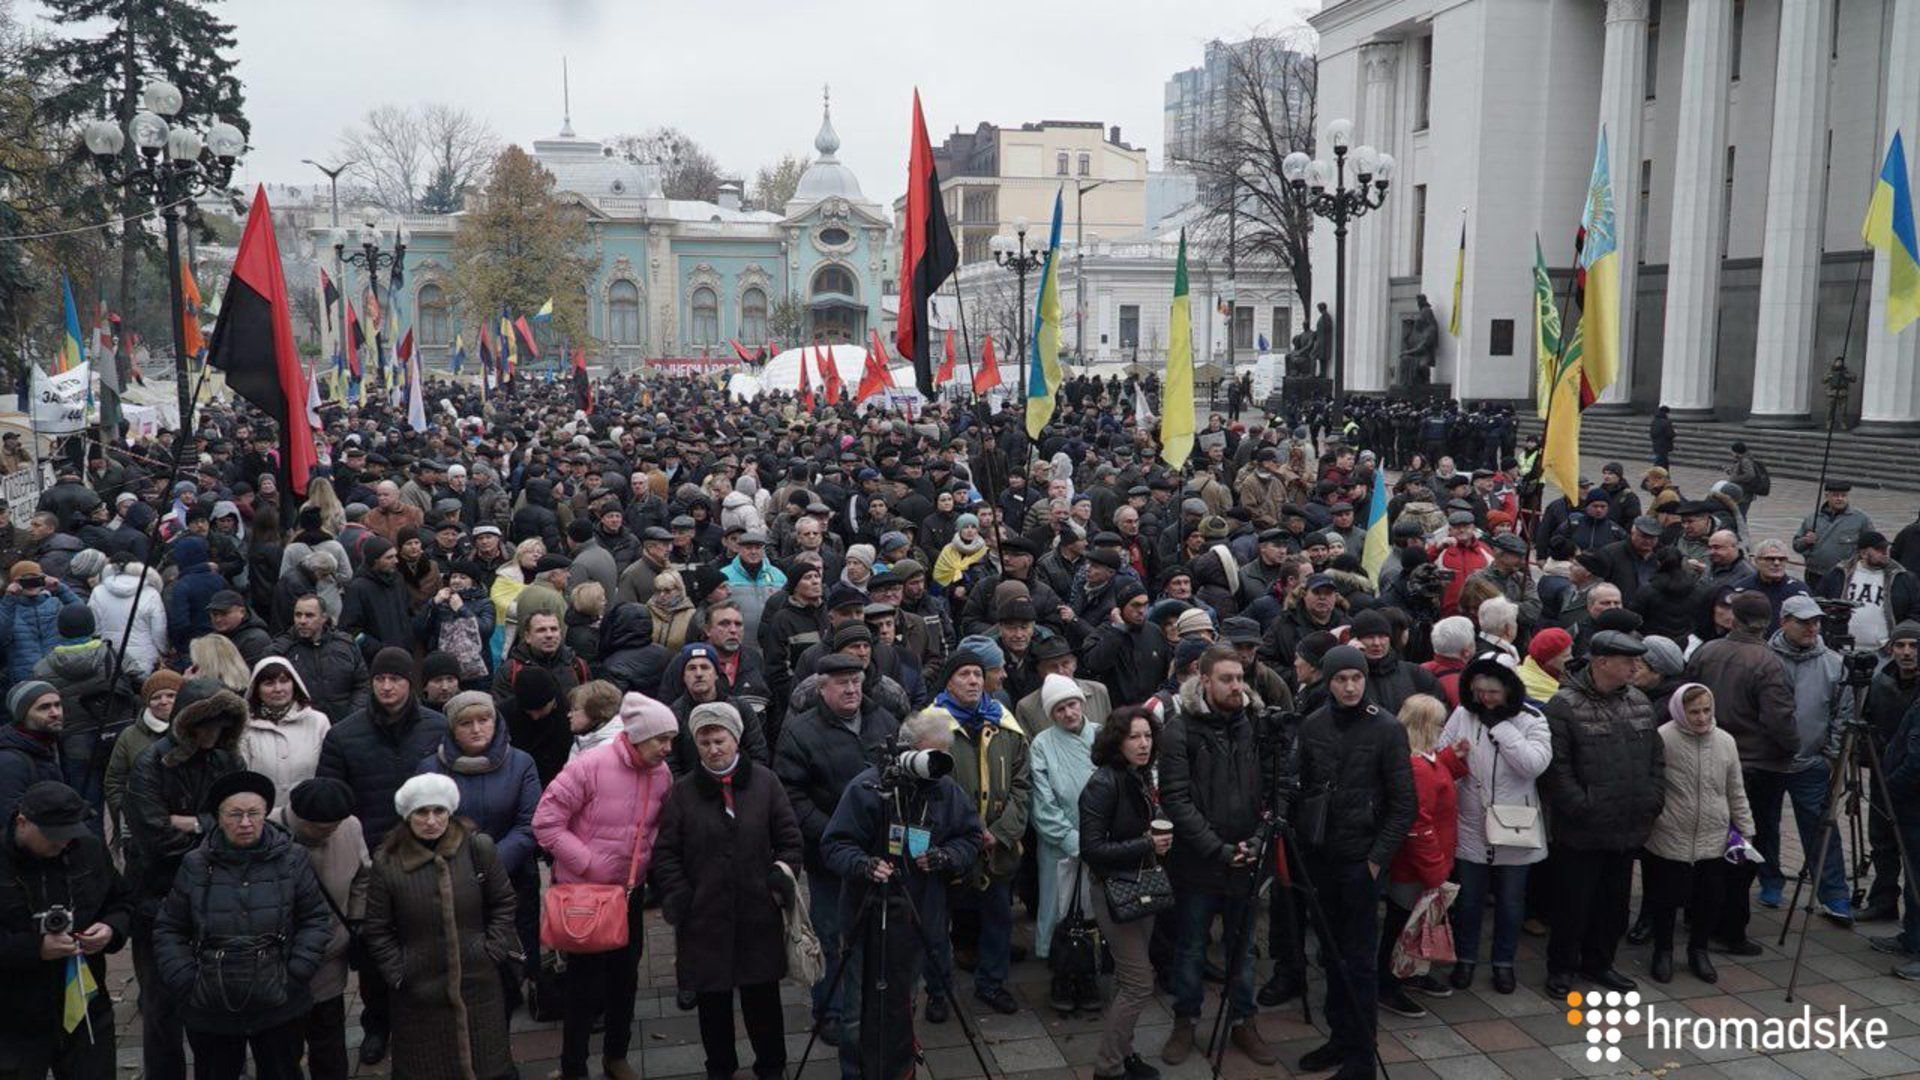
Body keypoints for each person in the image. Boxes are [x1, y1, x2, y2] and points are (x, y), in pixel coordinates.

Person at [818, 708, 981, 1080]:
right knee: (858, 1009)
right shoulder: (867, 788)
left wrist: (946, 857)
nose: (934, 764)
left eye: (943, 755)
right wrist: (864, 865)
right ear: (907, 750)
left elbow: (970, 836)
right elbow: (834, 844)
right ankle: (856, 1073)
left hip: (920, 916)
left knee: (904, 1004)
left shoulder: (945, 790)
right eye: (929, 754)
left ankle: (900, 1070)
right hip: (866, 914)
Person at [651, 702, 803, 1080]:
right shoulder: (683, 792)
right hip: (704, 916)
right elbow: (666, 853)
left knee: (762, 1000)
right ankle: (719, 1067)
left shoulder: (766, 782)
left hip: (758, 911)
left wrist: (778, 882)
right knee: (712, 1003)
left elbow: (789, 840)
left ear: (735, 740)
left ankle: (771, 1066)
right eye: (704, 742)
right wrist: (680, 897)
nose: (713, 749)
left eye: (719, 740)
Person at [150, 770, 333, 1080]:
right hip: (210, 1003)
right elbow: (170, 927)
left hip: (280, 1000)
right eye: (235, 814)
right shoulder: (195, 863)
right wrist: (185, 979)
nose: (245, 823)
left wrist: (298, 970)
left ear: (265, 814)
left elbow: (315, 918)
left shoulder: (292, 857)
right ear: (218, 818)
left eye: (253, 814)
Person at [314, 647, 449, 1066]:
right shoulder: (344, 735)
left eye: (395, 679)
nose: (387, 686)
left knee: (430, 944)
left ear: (412, 683)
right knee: (375, 952)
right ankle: (378, 1025)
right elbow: (332, 798)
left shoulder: (437, 727)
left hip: (429, 855)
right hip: (371, 862)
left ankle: (430, 1021)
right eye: (379, 679)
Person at [531, 692, 675, 1080]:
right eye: (661, 738)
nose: (668, 748)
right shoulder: (591, 765)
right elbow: (545, 822)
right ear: (639, 735)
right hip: (587, 895)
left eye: (671, 739)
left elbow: (657, 827)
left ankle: (616, 1055)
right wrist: (587, 863)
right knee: (583, 987)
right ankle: (573, 1067)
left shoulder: (661, 773)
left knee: (625, 979)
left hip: (630, 894)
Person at [1291, 645, 1416, 1080]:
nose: (1349, 687)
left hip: (1361, 861)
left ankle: (1363, 1053)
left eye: (1356, 679)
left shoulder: (1386, 729)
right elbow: (1300, 787)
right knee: (1329, 954)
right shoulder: (1312, 725)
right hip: (1321, 857)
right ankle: (1340, 1037)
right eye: (1341, 679)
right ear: (1328, 682)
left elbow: (1404, 805)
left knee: (1359, 961)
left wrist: (1376, 861)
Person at [1157, 645, 1278, 1066]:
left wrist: (1259, 839)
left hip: (1246, 858)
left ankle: (1244, 1021)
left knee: (1243, 949)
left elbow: (1273, 788)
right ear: (1203, 679)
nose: (1236, 686)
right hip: (1198, 862)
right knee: (1191, 947)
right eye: (1226, 679)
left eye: (1240, 678)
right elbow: (1175, 799)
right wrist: (1218, 849)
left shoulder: (1255, 724)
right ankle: (1185, 1021)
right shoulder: (1179, 729)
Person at [123, 675, 247, 1080]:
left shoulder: (228, 760)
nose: (214, 732)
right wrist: (214, 829)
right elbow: (154, 836)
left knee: (218, 999)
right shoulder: (151, 764)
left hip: (218, 895)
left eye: (221, 723)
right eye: (206, 723)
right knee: (161, 1008)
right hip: (158, 898)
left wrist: (194, 823)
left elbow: (244, 820)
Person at [772, 652, 899, 1036]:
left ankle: (875, 1004)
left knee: (881, 931)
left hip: (880, 853)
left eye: (856, 681)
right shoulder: (800, 732)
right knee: (831, 934)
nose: (851, 689)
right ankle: (830, 1010)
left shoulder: (884, 720)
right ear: (822, 687)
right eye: (842, 682)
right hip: (829, 856)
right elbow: (791, 794)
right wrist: (834, 833)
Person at [362, 773, 519, 1080]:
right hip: (417, 991)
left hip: (479, 984)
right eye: (422, 812)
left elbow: (504, 902)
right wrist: (398, 971)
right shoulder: (387, 861)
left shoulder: (478, 848)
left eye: (439, 811)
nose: (431, 820)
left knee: (487, 1062)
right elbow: (377, 928)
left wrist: (493, 950)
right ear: (408, 816)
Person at [1538, 631, 1666, 997]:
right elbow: (1556, 770)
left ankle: (1600, 963)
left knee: (1614, 903)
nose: (1634, 667)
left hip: (1628, 823)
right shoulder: (1563, 705)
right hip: (1582, 828)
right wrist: (1582, 806)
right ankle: (1561, 967)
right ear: (1601, 662)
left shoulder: (1640, 702)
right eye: (1628, 661)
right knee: (1573, 903)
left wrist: (1651, 800)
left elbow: (1656, 759)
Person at [420, 690, 542, 1015]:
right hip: (453, 880)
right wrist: (461, 868)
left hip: (513, 877)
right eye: (466, 723)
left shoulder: (520, 762)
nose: (477, 729)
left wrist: (490, 864)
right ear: (452, 728)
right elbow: (421, 825)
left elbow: (529, 825)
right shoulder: (430, 768)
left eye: (484, 720)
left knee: (513, 954)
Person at [0, 782, 132, 1080]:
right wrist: (35, 949)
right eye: (53, 836)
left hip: (85, 1007)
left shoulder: (86, 848)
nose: (63, 843)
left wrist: (111, 929)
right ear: (22, 822)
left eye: (70, 833)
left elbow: (123, 901)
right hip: (15, 1015)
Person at [1439, 655, 1550, 995]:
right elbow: (1440, 754)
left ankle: (1504, 963)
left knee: (1511, 902)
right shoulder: (1462, 714)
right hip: (1471, 822)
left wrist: (1502, 729)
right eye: (1478, 691)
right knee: (1470, 900)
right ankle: (1466, 960)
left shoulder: (1532, 719)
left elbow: (1535, 764)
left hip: (1515, 826)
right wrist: (1452, 755)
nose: (1484, 699)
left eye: (1493, 692)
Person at [1078, 707, 1170, 1080]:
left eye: (1147, 736)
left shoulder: (1138, 775)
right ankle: (1108, 1068)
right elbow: (1092, 850)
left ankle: (1125, 1053)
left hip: (1140, 885)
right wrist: (1145, 843)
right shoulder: (1103, 783)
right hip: (1115, 891)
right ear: (1117, 741)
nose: (1143, 743)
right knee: (1138, 983)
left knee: (1127, 980)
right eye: (1134, 737)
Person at [1643, 684, 1753, 984]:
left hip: (1713, 835)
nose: (1702, 718)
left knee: (1709, 897)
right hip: (1670, 831)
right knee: (1666, 897)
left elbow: (1735, 788)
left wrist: (1746, 828)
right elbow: (1651, 784)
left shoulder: (1725, 741)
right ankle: (1663, 951)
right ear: (1680, 711)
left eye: (1707, 710)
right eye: (1694, 712)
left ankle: (1698, 950)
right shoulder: (1663, 738)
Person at [282, 778, 367, 1080]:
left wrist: (356, 920)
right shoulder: (268, 830)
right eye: (321, 828)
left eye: (335, 825)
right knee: (285, 1044)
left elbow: (362, 878)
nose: (330, 832)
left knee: (329, 1037)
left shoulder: (350, 826)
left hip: (331, 956)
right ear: (300, 818)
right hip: (284, 964)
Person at [1028, 673, 1101, 1011]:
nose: (1069, 714)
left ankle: (1089, 975)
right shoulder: (1042, 744)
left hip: (1102, 842)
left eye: (1072, 705)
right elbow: (1042, 802)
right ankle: (1062, 973)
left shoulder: (1102, 736)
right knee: (1060, 909)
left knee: (1095, 910)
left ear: (1081, 703)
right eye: (1059, 710)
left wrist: (1098, 841)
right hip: (1059, 844)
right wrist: (1073, 840)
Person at [239, 656, 332, 807]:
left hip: (308, 813)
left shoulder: (318, 722)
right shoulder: (245, 727)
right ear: (256, 689)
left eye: (284, 681)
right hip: (262, 816)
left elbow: (328, 772)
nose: (278, 689)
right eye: (269, 683)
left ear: (294, 684)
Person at [272, 594, 370, 728]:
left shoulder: (345, 645)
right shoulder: (281, 650)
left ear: (323, 618)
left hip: (345, 726)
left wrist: (353, 718)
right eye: (298, 615)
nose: (302, 621)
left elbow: (362, 684)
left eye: (309, 615)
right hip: (301, 728)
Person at [1795, 480, 1872, 587]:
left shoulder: (1860, 519)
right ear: (1827, 496)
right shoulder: (1813, 518)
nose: (1840, 498)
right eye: (1835, 495)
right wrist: (1805, 541)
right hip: (1815, 573)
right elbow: (1797, 546)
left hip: (1844, 575)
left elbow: (1871, 544)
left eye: (1843, 495)